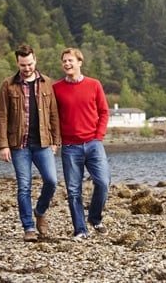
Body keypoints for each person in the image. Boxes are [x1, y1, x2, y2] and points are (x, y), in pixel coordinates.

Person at [0, 44, 61, 242]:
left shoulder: (47, 83)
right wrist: (3, 145)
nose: (27, 68)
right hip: (19, 145)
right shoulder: (8, 85)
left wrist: (56, 141)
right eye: (23, 65)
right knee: (24, 186)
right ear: (17, 63)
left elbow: (53, 113)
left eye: (30, 64)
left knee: (52, 181)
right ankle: (29, 228)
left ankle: (40, 211)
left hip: (43, 143)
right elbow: (1, 116)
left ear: (35, 61)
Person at [53, 47, 111, 240]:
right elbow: (52, 116)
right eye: (64, 61)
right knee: (73, 190)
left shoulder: (94, 85)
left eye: (70, 60)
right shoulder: (57, 89)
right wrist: (56, 140)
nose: (67, 64)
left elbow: (104, 111)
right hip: (70, 147)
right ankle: (80, 230)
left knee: (103, 182)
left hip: (93, 144)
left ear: (79, 62)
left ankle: (95, 218)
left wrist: (99, 136)